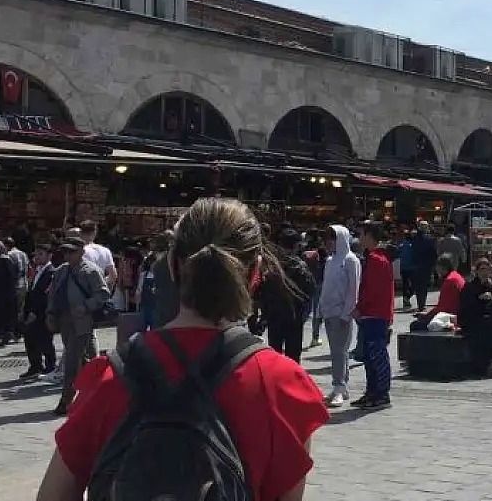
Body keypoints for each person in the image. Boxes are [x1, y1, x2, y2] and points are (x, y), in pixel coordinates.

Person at [35, 198, 328, 501]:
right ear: (255, 273)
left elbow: (52, 495)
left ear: (173, 266)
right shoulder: (281, 385)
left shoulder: (111, 377)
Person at [46, 238, 111, 415]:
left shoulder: (90, 271)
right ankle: (96, 394)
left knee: (72, 360)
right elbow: (53, 293)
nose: (68, 255)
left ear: (82, 252)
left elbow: (103, 294)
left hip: (82, 320)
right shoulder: (61, 271)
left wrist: (85, 307)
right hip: (64, 320)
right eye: (65, 251)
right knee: (84, 360)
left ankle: (66, 400)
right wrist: (50, 314)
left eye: (72, 252)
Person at [319, 224, 361, 408]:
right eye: (327, 238)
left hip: (341, 313)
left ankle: (338, 387)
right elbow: (326, 286)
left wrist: (347, 313)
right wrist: (321, 308)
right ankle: (341, 387)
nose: (328, 242)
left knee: (339, 352)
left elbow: (354, 289)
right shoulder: (330, 261)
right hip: (328, 312)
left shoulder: (351, 260)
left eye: (332, 238)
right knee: (337, 352)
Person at [354, 222, 394, 409]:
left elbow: (371, 289)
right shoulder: (374, 258)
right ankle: (372, 392)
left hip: (374, 313)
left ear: (370, 236)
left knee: (377, 355)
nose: (359, 238)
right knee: (369, 356)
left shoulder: (377, 259)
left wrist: (360, 307)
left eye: (361, 234)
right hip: (373, 313)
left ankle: (381, 393)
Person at [260, 228, 315, 363]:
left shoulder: (272, 266)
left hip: (275, 316)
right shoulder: (300, 266)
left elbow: (263, 291)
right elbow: (310, 290)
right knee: (293, 356)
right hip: (294, 317)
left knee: (274, 356)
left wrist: (264, 315)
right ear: (296, 246)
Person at [21, 244, 58, 378]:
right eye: (35, 254)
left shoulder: (51, 272)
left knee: (45, 340)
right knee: (30, 339)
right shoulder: (36, 270)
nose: (37, 257)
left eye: (40, 254)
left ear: (49, 255)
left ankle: (50, 366)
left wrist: (35, 312)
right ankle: (35, 366)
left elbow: (46, 295)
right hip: (31, 310)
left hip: (42, 312)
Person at [411, 254, 464, 330]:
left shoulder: (450, 281)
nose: (436, 269)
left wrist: (428, 315)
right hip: (456, 314)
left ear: (443, 267)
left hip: (451, 317)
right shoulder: (456, 276)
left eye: (437, 266)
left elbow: (444, 308)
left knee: (415, 325)